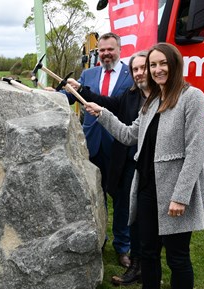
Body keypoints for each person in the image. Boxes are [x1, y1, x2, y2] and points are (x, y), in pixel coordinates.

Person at [85, 42, 204, 289]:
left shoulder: (192, 98)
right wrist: (102, 114)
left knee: (179, 259)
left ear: (174, 64)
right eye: (153, 65)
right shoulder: (151, 102)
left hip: (174, 194)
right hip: (146, 191)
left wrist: (181, 196)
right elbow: (129, 135)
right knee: (149, 254)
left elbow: (196, 152)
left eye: (162, 64)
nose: (157, 70)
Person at [67, 50, 150, 286]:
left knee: (147, 220)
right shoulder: (133, 95)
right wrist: (84, 93)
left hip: (151, 167)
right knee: (129, 207)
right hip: (126, 158)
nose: (140, 73)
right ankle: (136, 265)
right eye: (136, 69)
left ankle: (163, 275)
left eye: (144, 68)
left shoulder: (164, 98)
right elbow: (112, 108)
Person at [64, 32, 134, 268]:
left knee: (122, 197)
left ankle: (123, 246)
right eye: (102, 50)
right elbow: (70, 98)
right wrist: (54, 92)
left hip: (119, 146)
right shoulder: (88, 74)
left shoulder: (131, 75)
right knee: (96, 195)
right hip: (92, 143)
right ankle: (100, 238)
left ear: (119, 50)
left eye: (110, 49)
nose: (105, 54)